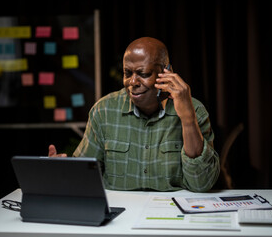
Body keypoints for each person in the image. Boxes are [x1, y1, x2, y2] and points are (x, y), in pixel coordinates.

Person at [49, 37, 219, 192]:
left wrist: (188, 119)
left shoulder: (194, 110)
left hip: (171, 214)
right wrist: (62, 173)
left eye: (143, 74)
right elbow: (83, 178)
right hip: (120, 218)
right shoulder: (104, 111)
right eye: (127, 73)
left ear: (167, 72)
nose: (133, 82)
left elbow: (202, 183)